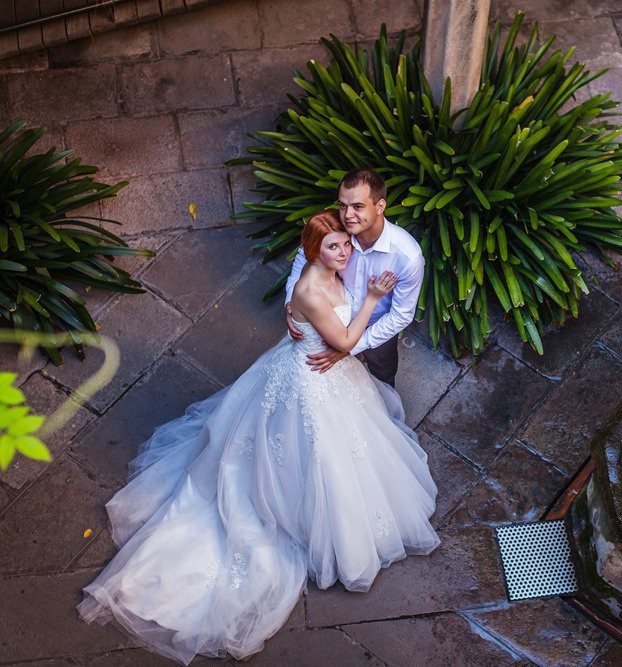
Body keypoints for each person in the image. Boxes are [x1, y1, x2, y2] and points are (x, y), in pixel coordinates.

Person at [77, 212, 440, 665]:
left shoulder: (321, 271)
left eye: (345, 244)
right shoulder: (311, 287)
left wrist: (301, 307)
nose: (344, 252)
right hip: (313, 376)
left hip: (312, 367)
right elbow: (345, 341)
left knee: (345, 446)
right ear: (315, 252)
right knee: (316, 457)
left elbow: (318, 302)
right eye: (334, 247)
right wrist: (369, 298)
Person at [285, 168, 423, 387]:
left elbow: (401, 315)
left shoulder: (406, 257)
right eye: (342, 205)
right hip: (328, 319)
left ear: (380, 206)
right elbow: (305, 255)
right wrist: (292, 304)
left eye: (357, 206)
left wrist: (349, 347)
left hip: (375, 329)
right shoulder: (338, 228)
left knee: (383, 380)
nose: (347, 215)